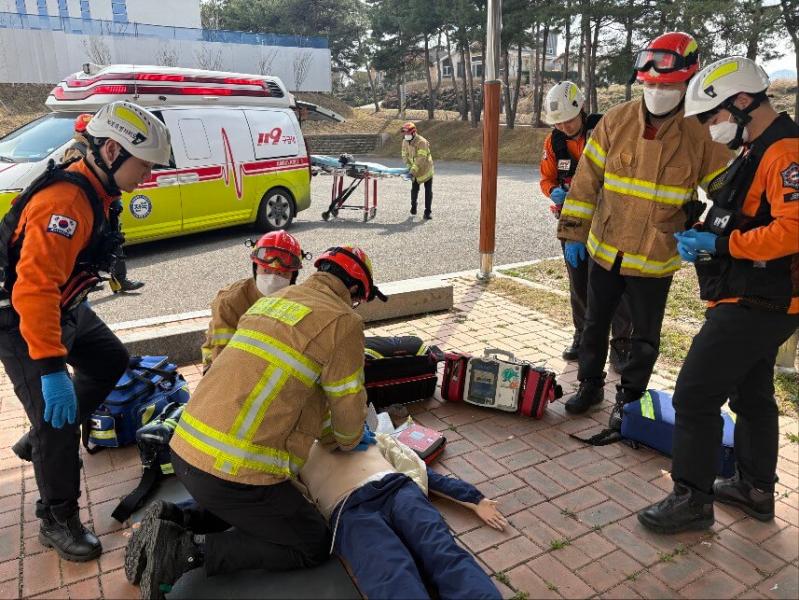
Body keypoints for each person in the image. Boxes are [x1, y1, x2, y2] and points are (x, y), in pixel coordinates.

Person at [133, 246, 387, 599]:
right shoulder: (343, 322)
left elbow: (296, 387)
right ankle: (185, 552)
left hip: (186, 452)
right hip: (230, 472)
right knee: (310, 541)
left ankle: (177, 518)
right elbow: (345, 405)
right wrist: (350, 438)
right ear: (356, 291)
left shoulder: (274, 301)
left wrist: (329, 429)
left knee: (261, 512)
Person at [0, 101, 172, 561]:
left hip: (65, 306)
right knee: (56, 426)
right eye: (145, 164)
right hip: (21, 318)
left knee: (109, 360)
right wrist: (53, 370)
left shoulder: (98, 191)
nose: (148, 174)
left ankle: (40, 433)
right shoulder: (65, 204)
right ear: (113, 150)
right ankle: (57, 520)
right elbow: (33, 290)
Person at [638, 57, 799, 534]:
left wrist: (724, 244)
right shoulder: (757, 147)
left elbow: (792, 230)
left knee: (694, 395)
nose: (711, 128)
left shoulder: (785, 153)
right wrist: (704, 232)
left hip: (761, 300)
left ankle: (691, 498)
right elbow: (745, 211)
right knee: (750, 393)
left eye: (713, 116)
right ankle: (754, 489)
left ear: (743, 102)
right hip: (754, 293)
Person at [556, 31, 732, 420]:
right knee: (593, 322)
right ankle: (589, 385)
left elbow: (727, 190)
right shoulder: (616, 121)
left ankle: (630, 397)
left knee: (645, 337)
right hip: (606, 248)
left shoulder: (701, 133)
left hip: (655, 256)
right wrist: (573, 232)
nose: (657, 90)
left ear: (688, 82)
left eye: (666, 84)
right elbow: (586, 182)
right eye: (650, 83)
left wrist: (712, 229)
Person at [126, 436, 504, 600]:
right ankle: (175, 527)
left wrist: (474, 499)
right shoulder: (286, 449)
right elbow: (261, 503)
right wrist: (186, 515)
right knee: (391, 572)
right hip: (349, 512)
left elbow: (416, 465)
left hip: (396, 489)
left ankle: (177, 524)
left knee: (442, 553)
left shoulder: (363, 430)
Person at [540, 81, 633, 369]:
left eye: (568, 120)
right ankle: (581, 335)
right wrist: (554, 191)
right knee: (578, 283)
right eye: (559, 122)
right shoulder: (554, 141)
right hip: (571, 221)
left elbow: (623, 176)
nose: (565, 127)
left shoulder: (606, 129)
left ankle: (621, 345)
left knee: (615, 285)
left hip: (608, 220)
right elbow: (547, 178)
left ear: (581, 109)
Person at [200, 230, 304, 372]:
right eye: (266, 271)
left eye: (281, 273)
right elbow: (221, 353)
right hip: (222, 365)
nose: (273, 279)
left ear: (293, 276)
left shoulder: (298, 300)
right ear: (256, 268)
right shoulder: (231, 301)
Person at [65, 112, 145, 294]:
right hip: (93, 204)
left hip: (108, 201)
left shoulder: (99, 147)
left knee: (113, 241)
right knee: (91, 244)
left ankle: (119, 280)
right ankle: (86, 281)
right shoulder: (77, 149)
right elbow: (78, 179)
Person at [401, 122, 434, 219]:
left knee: (428, 191)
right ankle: (413, 206)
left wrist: (412, 171)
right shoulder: (405, 141)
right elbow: (404, 155)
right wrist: (408, 167)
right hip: (414, 170)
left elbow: (421, 158)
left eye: (407, 134)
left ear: (413, 132)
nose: (405, 136)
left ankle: (427, 212)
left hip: (426, 169)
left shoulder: (421, 142)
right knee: (414, 190)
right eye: (404, 134)